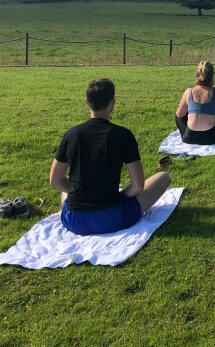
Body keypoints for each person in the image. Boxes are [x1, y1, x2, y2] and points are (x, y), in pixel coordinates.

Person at [50, 78, 171, 236]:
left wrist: (81, 193)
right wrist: (121, 196)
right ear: (112, 102)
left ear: (87, 101)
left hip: (75, 221)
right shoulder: (123, 135)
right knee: (163, 177)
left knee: (68, 187)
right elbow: (138, 185)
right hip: (112, 218)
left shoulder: (71, 134)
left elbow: (55, 180)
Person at [175, 60, 215, 145]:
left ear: (197, 74)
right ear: (212, 75)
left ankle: (194, 128)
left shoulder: (188, 92)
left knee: (179, 115)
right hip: (211, 138)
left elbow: (179, 115)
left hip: (189, 138)